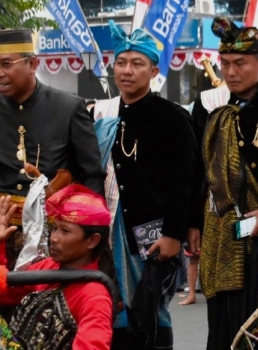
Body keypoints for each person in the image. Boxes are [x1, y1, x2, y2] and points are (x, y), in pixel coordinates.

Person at [0, 29, 105, 271]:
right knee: (3, 303)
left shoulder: (68, 107)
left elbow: (92, 175)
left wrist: (93, 230)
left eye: (6, 64)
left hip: (57, 235)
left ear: (33, 63)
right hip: (3, 232)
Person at [91, 20, 197, 350]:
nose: (127, 71)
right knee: (114, 304)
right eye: (121, 63)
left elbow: (186, 181)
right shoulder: (106, 116)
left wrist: (173, 235)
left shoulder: (173, 117)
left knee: (151, 306)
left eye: (137, 64)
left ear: (153, 71)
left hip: (153, 226)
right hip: (110, 223)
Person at [190, 17, 258, 350]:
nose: (231, 72)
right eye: (225, 64)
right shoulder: (208, 106)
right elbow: (197, 171)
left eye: (240, 63)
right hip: (222, 227)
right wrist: (192, 225)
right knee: (222, 314)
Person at [0, 185, 115, 350]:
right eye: (54, 228)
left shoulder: (95, 297)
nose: (54, 238)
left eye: (65, 231)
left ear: (92, 241)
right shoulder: (47, 266)